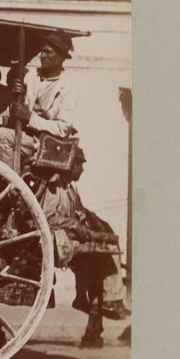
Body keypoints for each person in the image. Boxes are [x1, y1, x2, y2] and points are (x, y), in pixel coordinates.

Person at [39, 148, 129, 347]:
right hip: (57, 239)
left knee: (105, 244)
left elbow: (78, 213)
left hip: (70, 236)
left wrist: (88, 221)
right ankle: (104, 302)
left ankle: (96, 309)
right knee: (102, 254)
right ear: (69, 163)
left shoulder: (70, 189)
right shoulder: (54, 187)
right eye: (79, 164)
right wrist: (75, 225)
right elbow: (46, 217)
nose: (82, 169)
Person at [0, 31, 79, 168]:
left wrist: (29, 118)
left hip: (46, 142)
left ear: (62, 56)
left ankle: (9, 183)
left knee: (1, 136)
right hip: (25, 134)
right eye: (41, 51)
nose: (42, 56)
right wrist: (16, 97)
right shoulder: (32, 76)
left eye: (48, 52)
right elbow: (19, 109)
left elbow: (63, 129)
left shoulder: (68, 87)